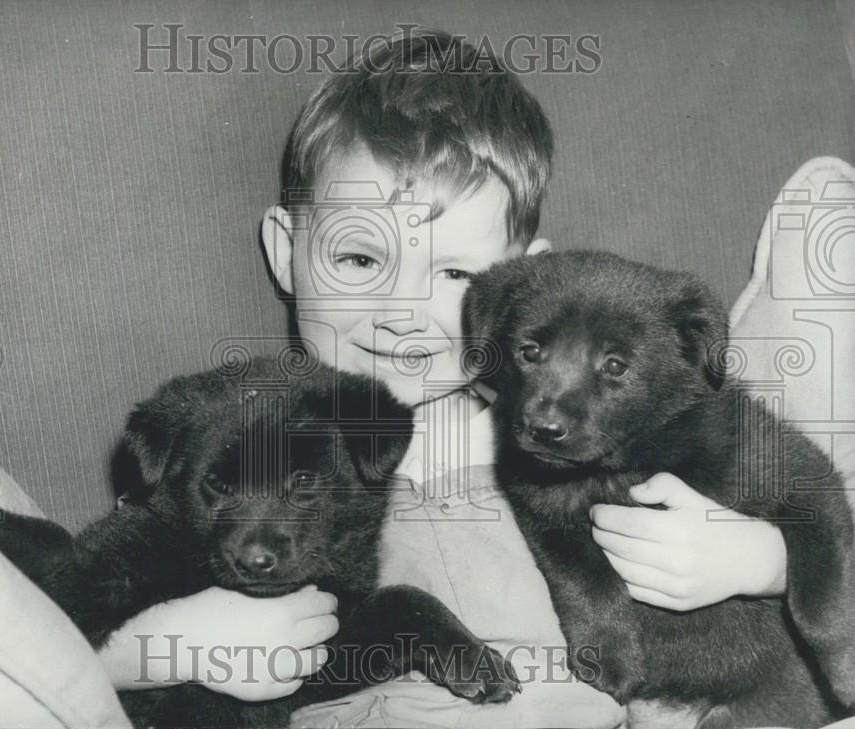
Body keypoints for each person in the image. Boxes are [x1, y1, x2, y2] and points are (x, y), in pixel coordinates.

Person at [98, 29, 793, 727]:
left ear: (528, 286)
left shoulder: (579, 437)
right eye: (361, 260)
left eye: (456, 274)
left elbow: (692, 634)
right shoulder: (239, 439)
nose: (400, 312)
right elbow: (67, 609)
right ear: (286, 253)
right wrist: (175, 647)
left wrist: (764, 563)